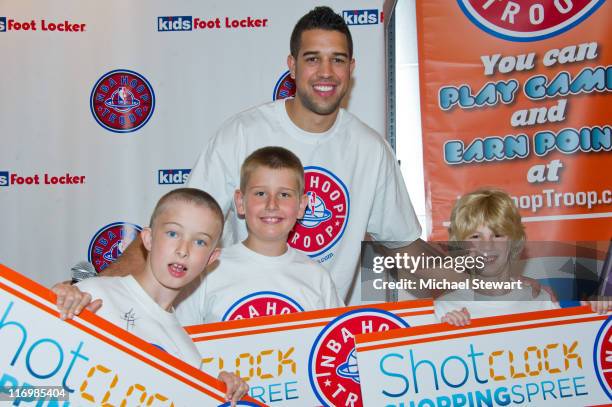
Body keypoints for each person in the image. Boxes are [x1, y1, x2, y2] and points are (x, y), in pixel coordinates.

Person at [103, 6, 421, 306]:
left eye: (337, 60)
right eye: (313, 59)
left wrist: (469, 290)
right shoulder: (242, 134)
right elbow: (178, 228)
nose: (326, 72)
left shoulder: (370, 150)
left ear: (351, 68)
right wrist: (96, 292)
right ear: (292, 65)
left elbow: (405, 247)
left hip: (317, 335)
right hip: (235, 325)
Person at [53, 188, 249, 405]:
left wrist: (217, 393)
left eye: (200, 242)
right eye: (173, 233)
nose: (183, 250)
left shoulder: (189, 355)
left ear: (211, 258)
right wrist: (48, 318)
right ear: (147, 239)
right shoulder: (91, 295)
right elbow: (16, 393)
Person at [175, 147, 344, 324]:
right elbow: (180, 344)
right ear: (240, 202)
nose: (272, 204)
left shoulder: (317, 278)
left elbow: (339, 341)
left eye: (284, 194)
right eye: (260, 193)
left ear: (302, 205)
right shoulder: (207, 272)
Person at [436, 188, 609, 326]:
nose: (487, 245)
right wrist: (444, 336)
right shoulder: (443, 309)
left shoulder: (542, 301)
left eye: (497, 235)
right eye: (475, 236)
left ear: (514, 242)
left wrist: (599, 316)